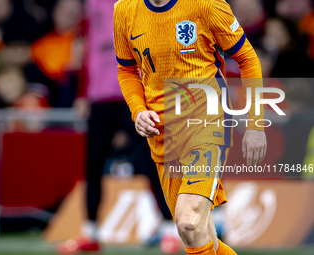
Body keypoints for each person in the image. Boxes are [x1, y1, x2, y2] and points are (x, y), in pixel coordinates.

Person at [113, 0, 267, 254]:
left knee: (188, 222)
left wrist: (255, 124)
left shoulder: (206, 4)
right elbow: (127, 69)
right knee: (199, 235)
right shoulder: (124, 9)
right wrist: (138, 110)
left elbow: (248, 59)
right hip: (163, 133)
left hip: (206, 119)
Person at [57, 0, 179, 254]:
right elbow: (88, 47)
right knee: (92, 165)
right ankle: (90, 233)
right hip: (99, 97)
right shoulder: (91, 5)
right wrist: (82, 93)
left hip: (135, 94)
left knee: (152, 160)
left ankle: (170, 230)